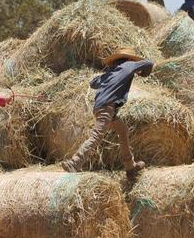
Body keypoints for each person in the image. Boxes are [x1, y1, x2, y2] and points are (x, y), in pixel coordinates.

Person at [61, 47, 154, 178]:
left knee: (123, 130)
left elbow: (93, 83)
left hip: (100, 108)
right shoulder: (129, 65)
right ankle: (75, 162)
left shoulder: (111, 73)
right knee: (97, 135)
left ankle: (130, 167)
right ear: (128, 59)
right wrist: (140, 72)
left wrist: (108, 75)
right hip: (107, 108)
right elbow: (149, 63)